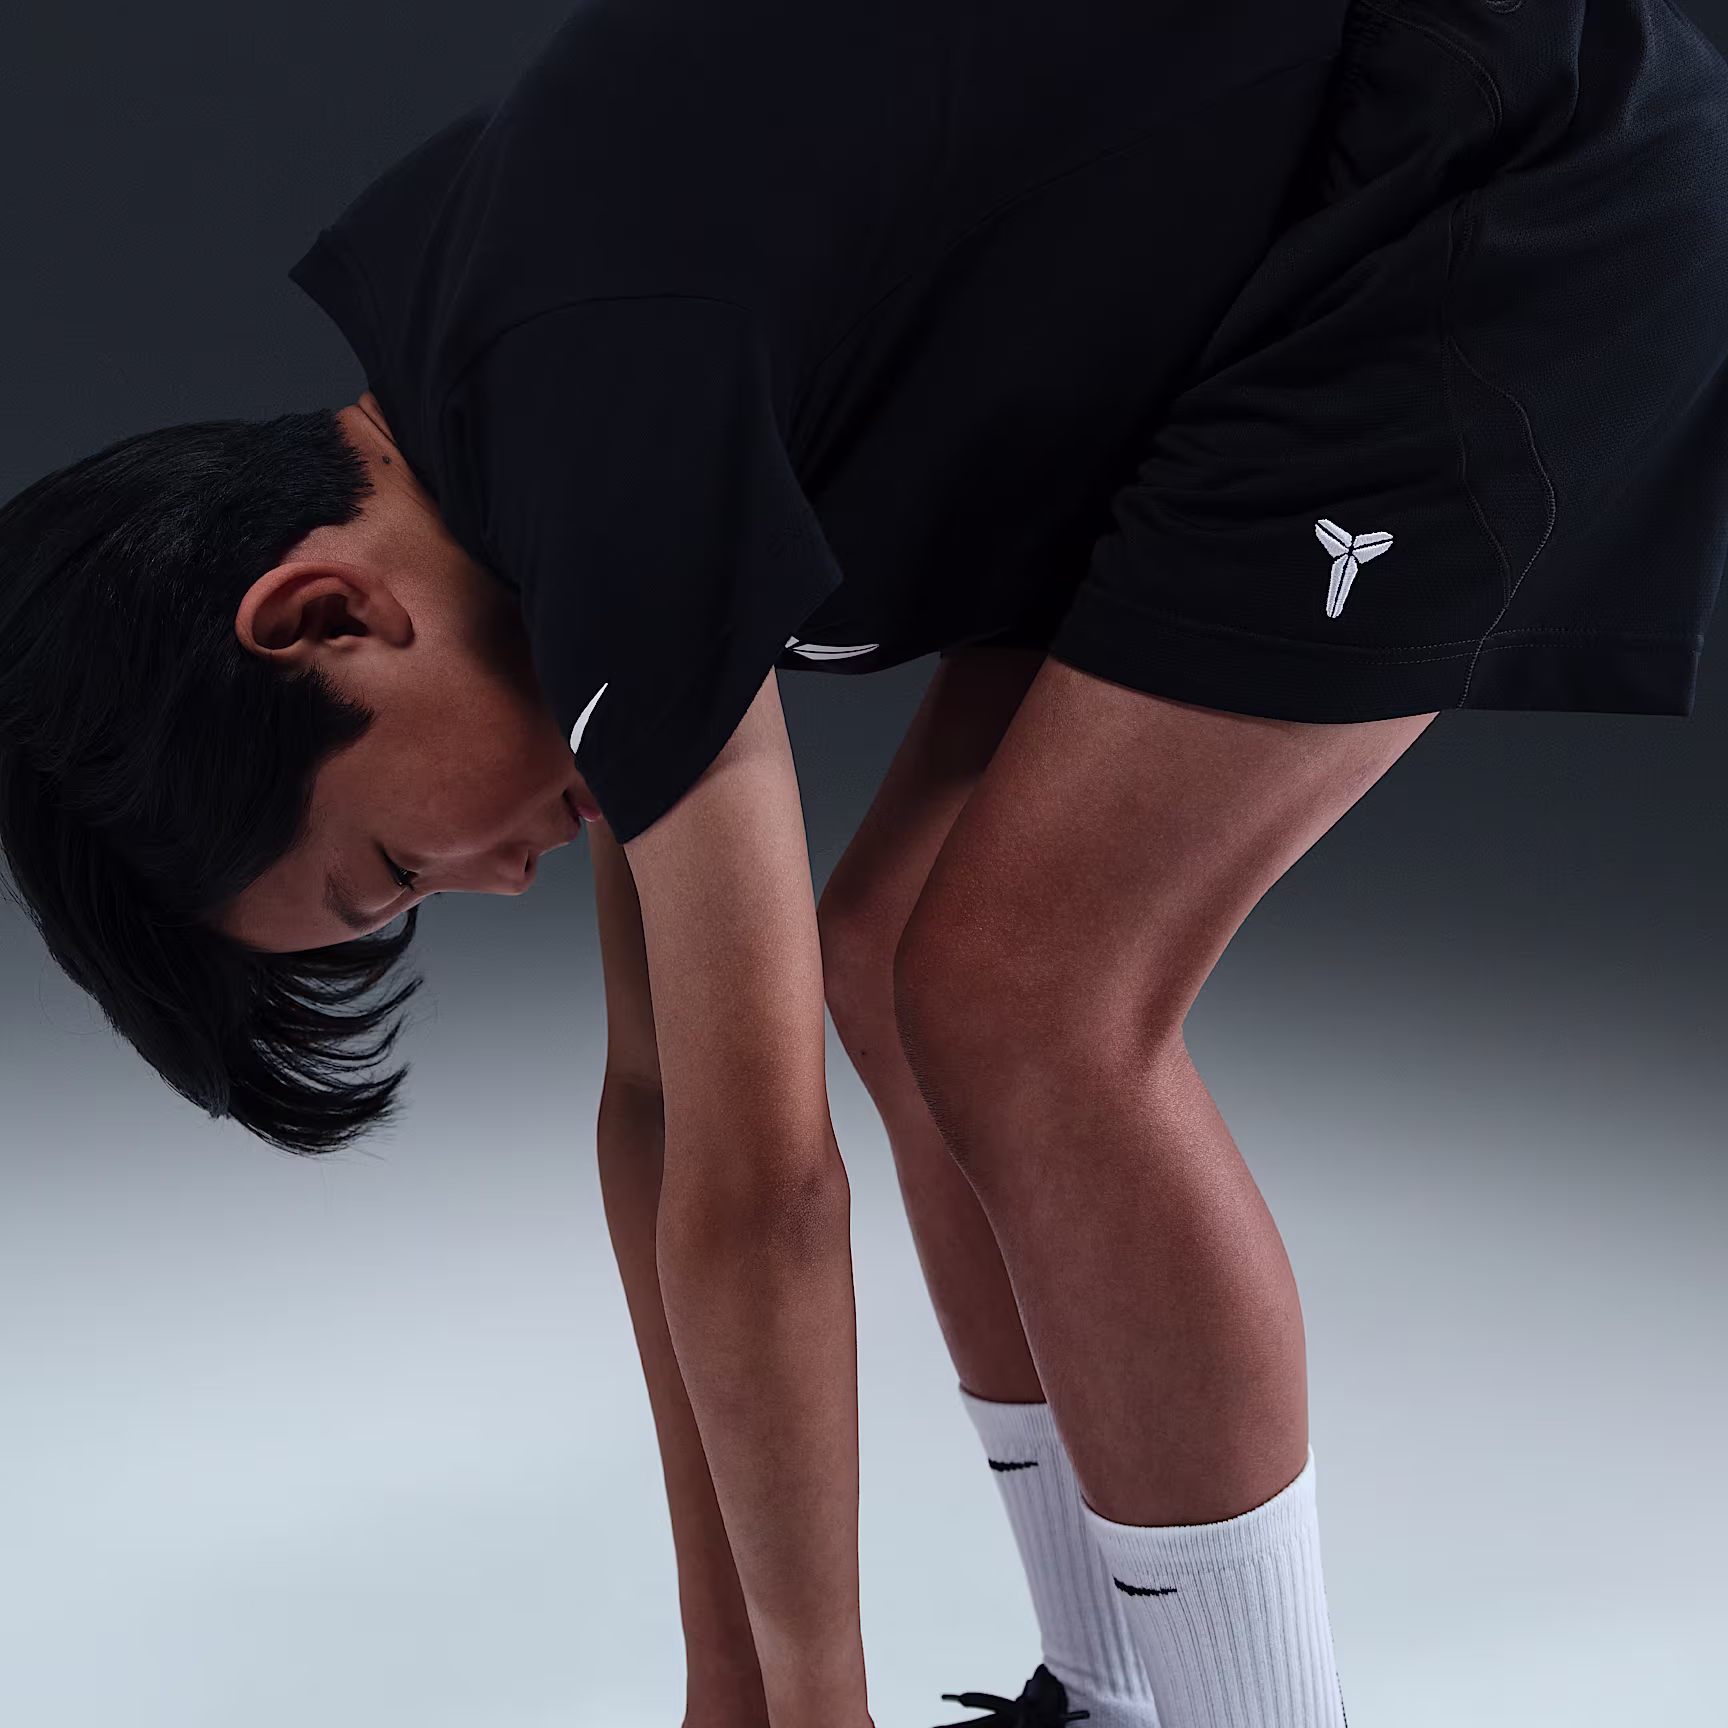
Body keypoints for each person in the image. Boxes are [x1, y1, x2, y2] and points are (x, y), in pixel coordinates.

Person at [3, 1, 1726, 1724]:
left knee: (1025, 1001)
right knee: (894, 956)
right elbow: (667, 1103)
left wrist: (816, 1697)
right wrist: (731, 1678)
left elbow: (765, 1190)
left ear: (323, 615)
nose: (495, 885)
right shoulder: (504, 412)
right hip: (1266, 259)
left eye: (394, 867)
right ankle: (1114, 1694)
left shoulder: (601, 415)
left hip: (1495, 168)